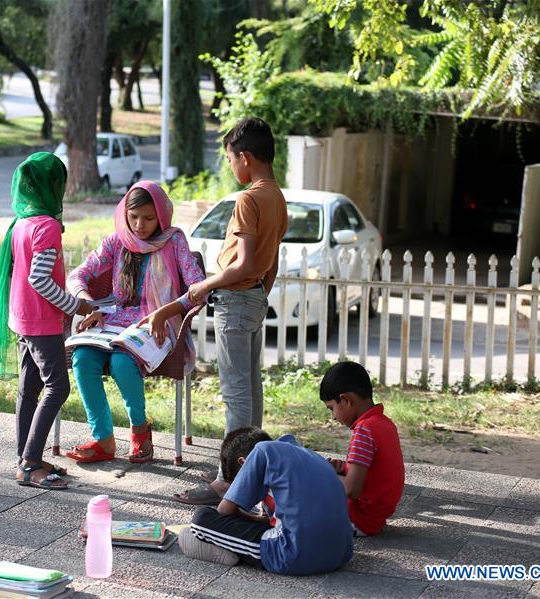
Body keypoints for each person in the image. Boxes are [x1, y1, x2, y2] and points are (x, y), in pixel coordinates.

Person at [172, 117, 288, 505]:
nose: (231, 168)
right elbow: (270, 262)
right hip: (254, 298)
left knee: (236, 394)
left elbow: (243, 262)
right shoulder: (277, 197)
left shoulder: (248, 199)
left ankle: (230, 482)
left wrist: (205, 284)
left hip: (236, 300)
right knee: (250, 390)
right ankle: (247, 469)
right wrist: (258, 292)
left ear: (245, 157)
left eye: (230, 160)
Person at [64, 182, 205, 464]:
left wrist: (167, 312)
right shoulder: (117, 240)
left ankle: (140, 432)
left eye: (149, 218)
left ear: (162, 216)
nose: (140, 225)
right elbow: (77, 275)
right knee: (82, 358)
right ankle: (103, 439)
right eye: (134, 217)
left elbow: (199, 288)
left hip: (156, 324)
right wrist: (93, 305)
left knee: (121, 362)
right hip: (114, 323)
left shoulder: (174, 240)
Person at [0, 152, 93, 490]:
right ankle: (30, 464)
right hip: (42, 322)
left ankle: (26, 456)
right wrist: (74, 306)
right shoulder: (45, 226)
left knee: (28, 389)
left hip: (23, 319)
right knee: (58, 387)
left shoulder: (22, 222)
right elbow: (39, 279)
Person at [178, 426, 353, 575]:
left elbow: (225, 510)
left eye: (238, 481)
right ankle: (232, 545)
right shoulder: (305, 454)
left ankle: (225, 548)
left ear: (243, 462)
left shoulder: (261, 451)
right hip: (341, 553)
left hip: (293, 555)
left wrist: (252, 518)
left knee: (202, 518)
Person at [320, 361, 405, 536]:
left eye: (331, 409)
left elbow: (352, 490)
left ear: (346, 400)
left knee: (302, 481)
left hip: (358, 518)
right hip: (375, 517)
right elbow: (377, 472)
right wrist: (344, 468)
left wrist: (325, 475)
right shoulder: (384, 423)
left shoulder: (364, 430)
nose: (334, 417)